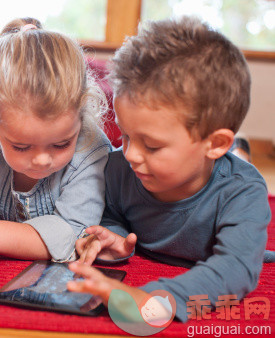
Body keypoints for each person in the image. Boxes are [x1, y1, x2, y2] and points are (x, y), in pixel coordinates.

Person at [67, 16, 271, 323]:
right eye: (125, 135)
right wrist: (115, 237)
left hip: (227, 170)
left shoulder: (243, 193)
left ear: (214, 143)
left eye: (151, 145)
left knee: (239, 167)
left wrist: (158, 300)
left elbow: (237, 269)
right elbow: (114, 212)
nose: (131, 154)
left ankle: (237, 152)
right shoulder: (119, 167)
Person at [0, 17, 112, 269]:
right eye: (21, 147)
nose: (42, 159)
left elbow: (72, 233)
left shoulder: (91, 149)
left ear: (82, 116)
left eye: (61, 144)